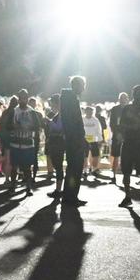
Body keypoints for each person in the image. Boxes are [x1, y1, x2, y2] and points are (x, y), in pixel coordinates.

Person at [4, 88, 44, 194]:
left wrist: (28, 127)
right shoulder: (14, 111)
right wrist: (14, 126)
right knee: (14, 166)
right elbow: (7, 126)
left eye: (25, 98)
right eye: (21, 98)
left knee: (27, 167)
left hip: (27, 143)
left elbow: (38, 126)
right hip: (15, 143)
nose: (23, 100)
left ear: (27, 98)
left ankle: (28, 187)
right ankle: (13, 185)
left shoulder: (32, 111)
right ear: (18, 99)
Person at [60, 75, 87, 205]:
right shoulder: (71, 100)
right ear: (76, 85)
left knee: (73, 169)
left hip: (73, 139)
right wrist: (77, 138)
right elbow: (72, 122)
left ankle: (69, 196)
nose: (83, 88)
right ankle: (71, 197)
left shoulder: (67, 99)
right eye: (82, 85)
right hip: (74, 140)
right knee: (75, 169)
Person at [44, 93, 66, 197]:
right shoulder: (58, 114)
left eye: (52, 103)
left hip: (58, 143)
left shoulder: (61, 114)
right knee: (57, 166)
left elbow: (59, 128)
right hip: (55, 142)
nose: (51, 106)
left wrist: (49, 122)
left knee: (58, 166)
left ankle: (58, 190)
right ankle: (58, 188)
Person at [108, 92, 128, 184]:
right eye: (121, 98)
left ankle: (126, 176)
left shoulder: (130, 109)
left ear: (127, 99)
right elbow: (112, 123)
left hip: (128, 136)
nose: (123, 100)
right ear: (119, 99)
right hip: (116, 135)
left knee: (127, 157)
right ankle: (114, 175)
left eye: (124, 98)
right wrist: (117, 133)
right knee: (115, 155)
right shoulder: (115, 109)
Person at [82, 105, 104, 180]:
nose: (89, 113)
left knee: (96, 155)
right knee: (85, 156)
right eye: (88, 111)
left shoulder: (96, 120)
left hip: (94, 140)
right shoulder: (82, 119)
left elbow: (99, 131)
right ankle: (85, 170)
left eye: (91, 111)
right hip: (84, 140)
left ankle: (94, 169)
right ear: (85, 112)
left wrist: (100, 140)